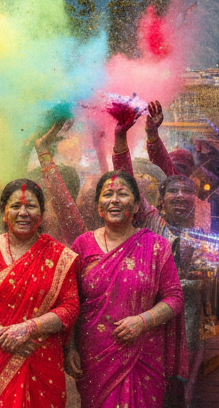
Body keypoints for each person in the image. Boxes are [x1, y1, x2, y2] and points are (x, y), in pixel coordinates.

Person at [65, 171, 186, 408]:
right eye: (107, 194)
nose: (114, 200)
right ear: (99, 206)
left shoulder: (156, 246)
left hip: (143, 355)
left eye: (122, 194)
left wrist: (142, 321)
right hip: (95, 358)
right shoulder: (82, 244)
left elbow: (175, 297)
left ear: (137, 204)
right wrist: (70, 348)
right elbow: (71, 302)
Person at [0, 178, 79, 408]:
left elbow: (70, 307)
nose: (23, 212)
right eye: (16, 206)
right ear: (4, 212)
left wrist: (28, 329)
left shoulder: (58, 256)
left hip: (41, 358)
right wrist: (0, 333)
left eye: (31, 206)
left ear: (42, 213)